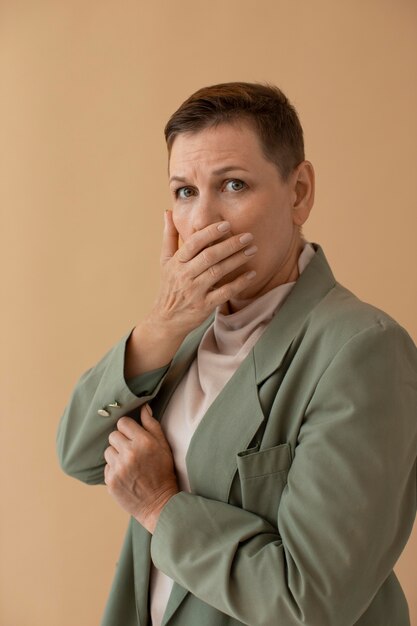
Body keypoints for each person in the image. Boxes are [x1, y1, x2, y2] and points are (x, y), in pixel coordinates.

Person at [57, 82, 417, 626]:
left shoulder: (362, 350)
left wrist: (160, 508)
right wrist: (162, 322)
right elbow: (80, 455)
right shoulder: (182, 336)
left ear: (299, 192)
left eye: (232, 184)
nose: (203, 221)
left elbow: (311, 601)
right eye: (184, 192)